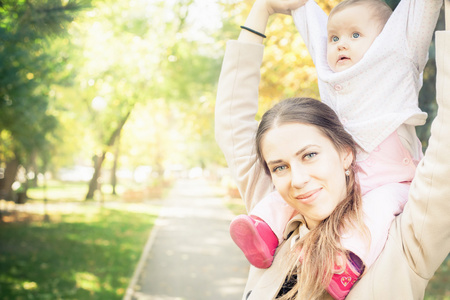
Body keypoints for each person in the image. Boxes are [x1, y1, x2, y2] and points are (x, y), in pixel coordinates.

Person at [215, 0, 449, 298]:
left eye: (309, 155)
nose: (297, 179)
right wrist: (262, 9)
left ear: (345, 153)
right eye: (279, 167)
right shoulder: (276, 226)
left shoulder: (406, 236)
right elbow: (231, 123)